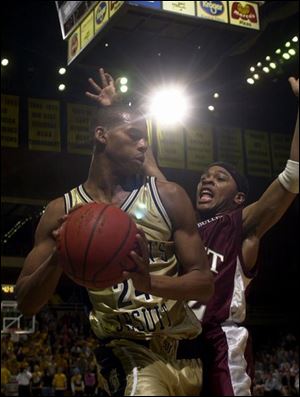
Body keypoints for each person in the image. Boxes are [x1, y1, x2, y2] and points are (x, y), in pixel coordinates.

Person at [89, 69, 299, 395]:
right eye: (204, 176)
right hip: (179, 341)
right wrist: (116, 110)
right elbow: (149, 165)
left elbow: (292, 178)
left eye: (219, 178)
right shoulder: (184, 224)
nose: (207, 180)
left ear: (239, 197)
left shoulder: (242, 225)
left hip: (219, 342)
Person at [15, 68, 214, 396]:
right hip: (126, 355)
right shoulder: (62, 211)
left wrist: (150, 283)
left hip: (190, 354)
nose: (143, 144)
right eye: (134, 135)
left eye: (145, 138)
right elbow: (25, 302)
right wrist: (57, 255)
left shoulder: (170, 196)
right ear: (101, 136)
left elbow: (204, 285)